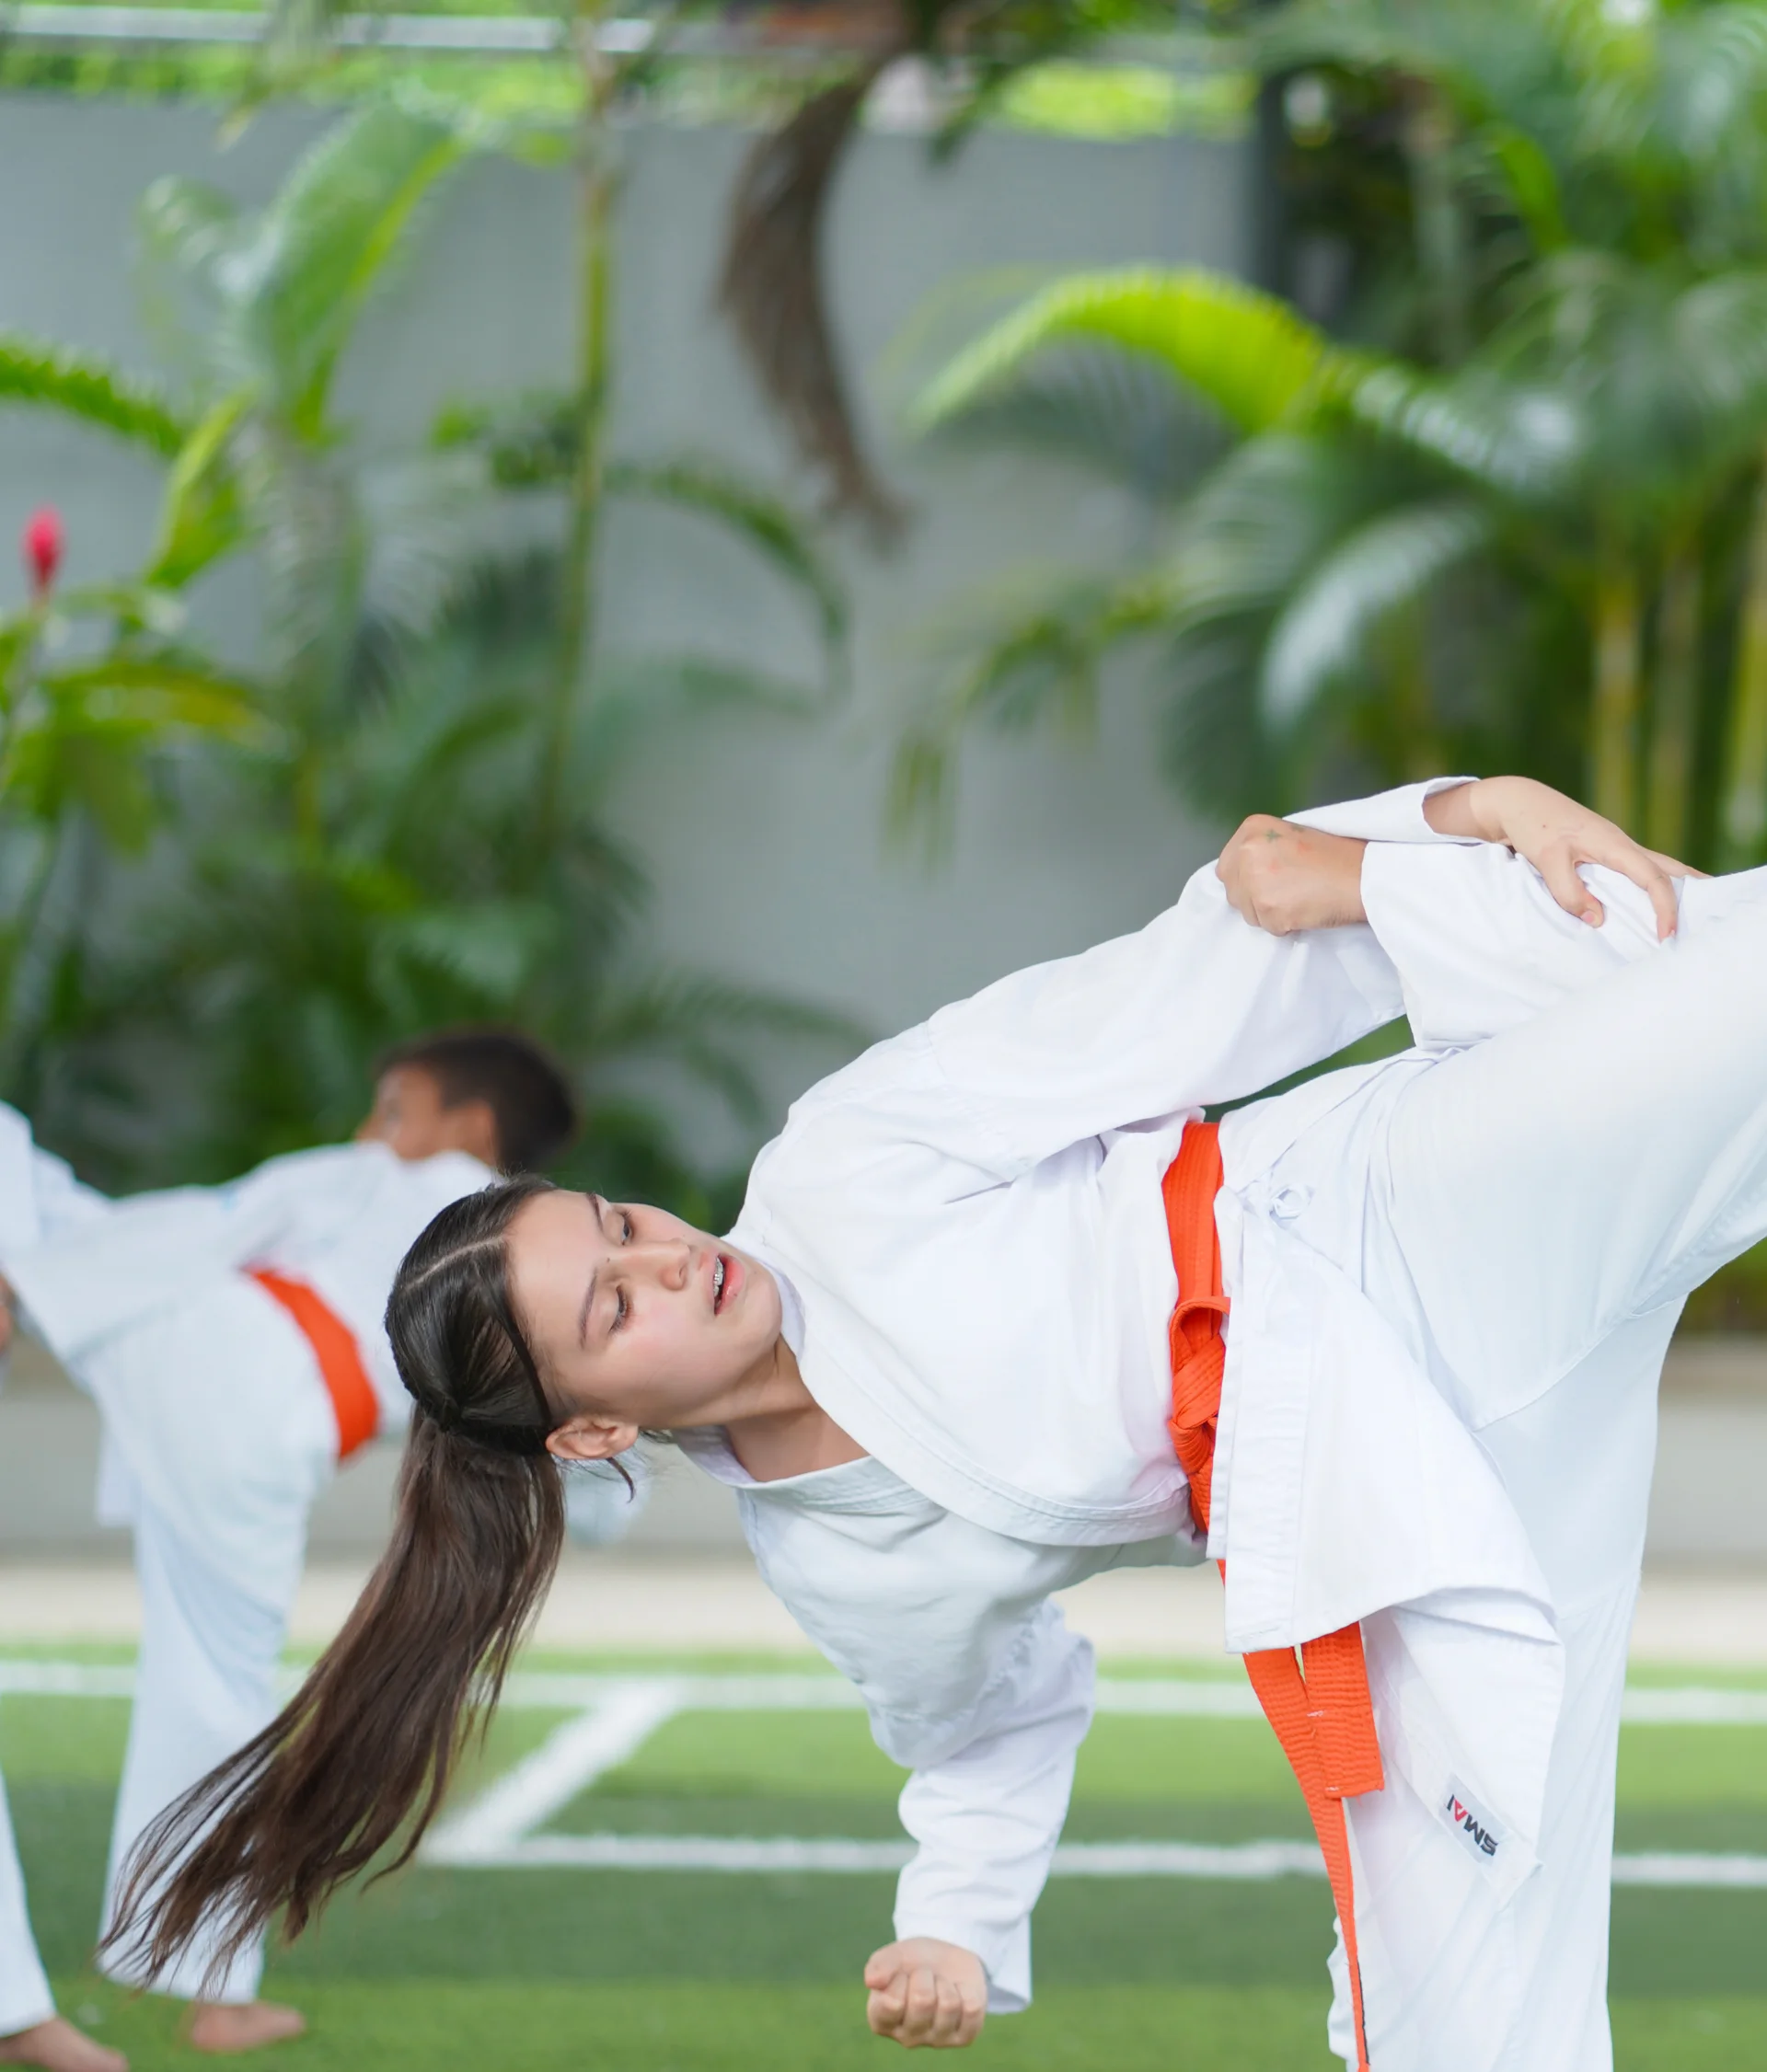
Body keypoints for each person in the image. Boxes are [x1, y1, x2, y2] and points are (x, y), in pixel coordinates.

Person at [100, 777, 1742, 2072]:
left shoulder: (844, 1162)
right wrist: (953, 1925)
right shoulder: (846, 1572)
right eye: (616, 1308)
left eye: (621, 1222)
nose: (671, 1255)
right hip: (1369, 1519)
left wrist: (1421, 840)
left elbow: (1173, 989)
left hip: (1380, 1222)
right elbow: (985, 1721)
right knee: (1472, 2027)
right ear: (590, 1432)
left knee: (1733, 992)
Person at [0, 1031, 584, 2060]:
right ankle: (210, 1987)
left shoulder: (426, 1180)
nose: (371, 1134)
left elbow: (218, 1221)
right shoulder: (503, 1253)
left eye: (392, 1109)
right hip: (263, 1396)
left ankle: (206, 1978)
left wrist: (43, 1282)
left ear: (470, 1128)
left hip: (226, 1354)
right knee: (217, 1679)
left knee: (42, 1190)